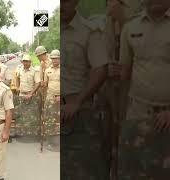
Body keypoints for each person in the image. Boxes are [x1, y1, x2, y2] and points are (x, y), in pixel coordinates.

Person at [118, 0, 170, 179]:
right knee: (134, 171)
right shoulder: (130, 27)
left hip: (167, 115)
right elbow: (124, 73)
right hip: (137, 114)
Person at [61, 0, 109, 179]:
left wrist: (78, 102)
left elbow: (100, 69)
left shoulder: (88, 31)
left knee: (83, 170)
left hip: (78, 114)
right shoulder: (48, 27)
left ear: (75, 2)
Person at [14, 54, 41, 138]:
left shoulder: (34, 71)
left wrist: (31, 94)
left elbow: (38, 83)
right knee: (22, 114)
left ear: (30, 62)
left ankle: (32, 134)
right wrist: (18, 88)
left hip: (31, 95)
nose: (25, 63)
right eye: (24, 61)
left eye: (27, 61)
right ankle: (22, 133)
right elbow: (17, 79)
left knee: (32, 115)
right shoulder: (20, 70)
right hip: (22, 95)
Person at [43, 49, 60, 151]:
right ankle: (51, 142)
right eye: (53, 59)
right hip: (49, 98)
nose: (55, 61)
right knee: (50, 120)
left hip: (61, 98)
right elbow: (45, 84)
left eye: (56, 58)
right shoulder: (47, 70)